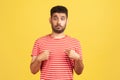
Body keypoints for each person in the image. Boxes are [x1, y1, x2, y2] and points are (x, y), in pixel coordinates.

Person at [30, 5, 84, 80]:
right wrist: (39, 59)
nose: (59, 22)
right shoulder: (39, 42)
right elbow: (33, 71)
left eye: (62, 19)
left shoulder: (75, 42)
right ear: (50, 20)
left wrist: (78, 59)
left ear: (67, 21)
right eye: (55, 18)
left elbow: (79, 72)